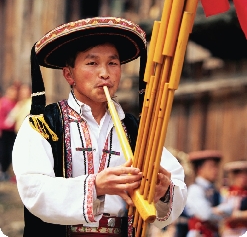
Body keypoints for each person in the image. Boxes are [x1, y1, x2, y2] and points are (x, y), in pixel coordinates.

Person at [12, 17, 187, 237]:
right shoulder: (43, 125)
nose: (105, 73)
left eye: (113, 63)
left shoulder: (136, 130)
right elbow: (33, 189)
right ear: (69, 74)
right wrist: (96, 186)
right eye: (92, 63)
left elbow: (177, 183)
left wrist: (163, 191)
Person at [185, 149, 224, 237]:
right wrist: (222, 212)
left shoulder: (215, 190)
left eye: (216, 166)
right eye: (211, 166)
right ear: (200, 169)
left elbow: (230, 208)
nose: (215, 170)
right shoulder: (195, 189)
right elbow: (206, 214)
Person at [217, 160, 247, 237]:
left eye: (245, 174)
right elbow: (221, 213)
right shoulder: (226, 192)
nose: (243, 178)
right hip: (230, 231)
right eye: (240, 175)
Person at [0, 83, 18, 181]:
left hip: (12, 132)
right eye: (12, 91)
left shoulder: (16, 104)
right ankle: (2, 171)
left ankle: (5, 171)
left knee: (10, 152)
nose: (13, 93)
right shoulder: (3, 102)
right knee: (3, 152)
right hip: (3, 131)